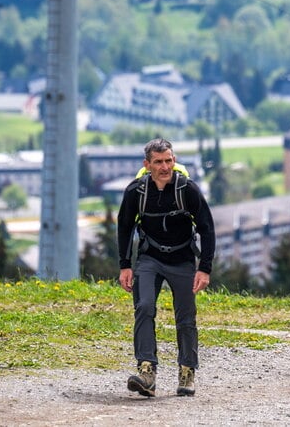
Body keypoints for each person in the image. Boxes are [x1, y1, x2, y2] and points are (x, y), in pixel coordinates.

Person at [117, 138, 216, 397]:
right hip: (149, 259)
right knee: (144, 307)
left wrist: (204, 268)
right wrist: (125, 266)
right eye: (158, 162)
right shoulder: (136, 192)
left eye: (169, 160)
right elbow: (124, 228)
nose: (165, 166)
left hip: (182, 260)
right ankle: (147, 371)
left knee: (185, 318)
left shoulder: (188, 189)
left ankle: (187, 372)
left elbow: (207, 227)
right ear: (147, 164)